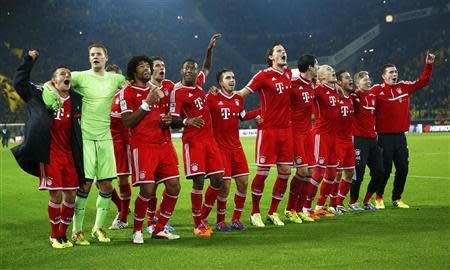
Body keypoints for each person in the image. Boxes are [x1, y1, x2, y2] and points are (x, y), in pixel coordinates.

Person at [47, 43, 126, 245]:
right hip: (85, 138)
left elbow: (133, 88)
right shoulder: (79, 76)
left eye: (99, 54)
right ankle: (77, 231)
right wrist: (50, 91)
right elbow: (53, 82)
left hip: (105, 137)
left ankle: (98, 228)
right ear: (89, 58)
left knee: (107, 184)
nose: (95, 57)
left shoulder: (116, 79)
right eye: (92, 54)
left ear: (106, 58)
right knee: (85, 184)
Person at [12, 50, 84, 248]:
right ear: (53, 80)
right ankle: (54, 235)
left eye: (68, 74)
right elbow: (19, 83)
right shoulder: (39, 94)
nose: (66, 76)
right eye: (62, 74)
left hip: (70, 154)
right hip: (49, 153)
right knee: (56, 195)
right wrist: (29, 60)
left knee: (71, 195)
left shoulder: (76, 100)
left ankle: (63, 234)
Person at [120, 55, 181, 243]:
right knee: (147, 190)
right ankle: (137, 231)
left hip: (164, 144)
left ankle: (160, 228)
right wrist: (146, 103)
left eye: (148, 65)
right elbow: (128, 122)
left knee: (174, 186)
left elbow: (164, 116)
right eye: (141, 66)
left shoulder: (158, 91)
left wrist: (166, 121)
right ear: (133, 71)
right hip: (143, 146)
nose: (146, 68)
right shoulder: (127, 93)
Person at [234, 44, 293, 227]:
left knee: (285, 172)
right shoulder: (263, 75)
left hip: (286, 131)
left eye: (284, 50)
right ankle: (255, 212)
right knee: (263, 173)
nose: (283, 52)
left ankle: (273, 212)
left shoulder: (289, 74)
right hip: (268, 131)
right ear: (270, 57)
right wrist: (242, 114)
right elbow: (240, 95)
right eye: (278, 51)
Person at [170, 34, 223, 237]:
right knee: (199, 181)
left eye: (193, 68)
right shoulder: (178, 92)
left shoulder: (200, 84)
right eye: (187, 68)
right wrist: (186, 121)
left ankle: (202, 216)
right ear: (182, 71)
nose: (191, 71)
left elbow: (207, 67)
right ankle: (197, 224)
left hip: (209, 140)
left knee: (218, 179)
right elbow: (173, 118)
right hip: (193, 141)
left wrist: (209, 49)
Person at [372, 51, 435, 208]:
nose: (395, 74)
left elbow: (423, 81)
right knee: (385, 171)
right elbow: (360, 96)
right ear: (383, 76)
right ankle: (378, 197)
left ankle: (397, 198)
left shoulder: (404, 87)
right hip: (384, 138)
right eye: (391, 72)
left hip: (400, 137)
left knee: (403, 169)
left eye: (396, 72)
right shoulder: (376, 90)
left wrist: (429, 65)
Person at [207, 69, 260, 231]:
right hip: (220, 149)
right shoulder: (212, 98)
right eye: (228, 78)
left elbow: (243, 116)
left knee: (243, 182)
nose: (232, 80)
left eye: (233, 77)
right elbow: (200, 109)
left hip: (236, 148)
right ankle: (220, 221)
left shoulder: (238, 98)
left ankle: (236, 219)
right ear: (220, 83)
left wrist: (260, 111)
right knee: (225, 186)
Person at [143, 56, 176, 234]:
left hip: (166, 140)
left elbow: (194, 81)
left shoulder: (171, 86)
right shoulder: (143, 87)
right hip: (149, 142)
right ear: (150, 69)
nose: (161, 68)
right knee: (151, 185)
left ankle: (158, 219)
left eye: (163, 65)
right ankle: (150, 221)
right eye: (157, 66)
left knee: (172, 182)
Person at [284, 54, 318, 223]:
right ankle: (289, 209)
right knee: (302, 171)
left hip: (308, 133)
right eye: (316, 65)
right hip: (295, 132)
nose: (318, 68)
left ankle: (299, 209)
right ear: (310, 67)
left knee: (310, 172)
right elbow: (278, 100)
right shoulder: (293, 84)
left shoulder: (313, 84)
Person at [303, 64, 340, 217]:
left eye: (333, 69)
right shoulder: (317, 90)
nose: (333, 71)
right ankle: (306, 207)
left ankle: (319, 206)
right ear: (321, 77)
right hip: (321, 135)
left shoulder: (336, 90)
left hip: (334, 136)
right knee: (318, 173)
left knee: (331, 174)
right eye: (329, 70)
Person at [348, 71, 383, 211]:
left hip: (372, 140)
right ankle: (352, 201)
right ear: (357, 83)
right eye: (364, 80)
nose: (368, 82)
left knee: (380, 171)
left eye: (369, 79)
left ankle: (367, 201)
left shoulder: (373, 96)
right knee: (359, 173)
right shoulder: (354, 96)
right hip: (358, 140)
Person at [106, 65, 133, 230]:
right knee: (99, 182)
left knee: (122, 179)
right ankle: (122, 207)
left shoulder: (124, 94)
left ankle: (123, 218)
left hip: (122, 143)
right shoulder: (102, 96)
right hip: (105, 144)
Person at [327, 70, 356, 213]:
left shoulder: (351, 98)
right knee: (337, 173)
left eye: (351, 77)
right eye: (347, 78)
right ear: (339, 82)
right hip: (337, 140)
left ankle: (339, 203)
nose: (351, 80)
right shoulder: (335, 98)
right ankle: (330, 204)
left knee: (350, 172)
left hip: (348, 140)